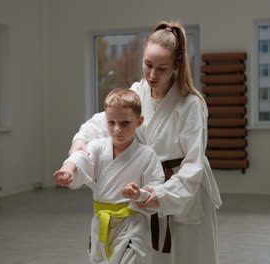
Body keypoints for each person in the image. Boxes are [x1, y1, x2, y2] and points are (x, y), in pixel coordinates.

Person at [69, 21, 222, 264]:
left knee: (187, 255)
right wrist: (80, 140)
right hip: (146, 185)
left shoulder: (190, 104)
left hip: (183, 189)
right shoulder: (137, 92)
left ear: (176, 65)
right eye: (147, 65)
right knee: (149, 254)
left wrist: (163, 195)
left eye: (161, 68)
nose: (152, 74)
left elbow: (194, 164)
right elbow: (104, 120)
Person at [54, 88, 165, 264]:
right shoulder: (98, 147)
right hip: (101, 224)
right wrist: (68, 168)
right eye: (111, 122)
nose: (117, 129)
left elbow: (156, 189)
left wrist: (139, 194)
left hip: (132, 226)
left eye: (125, 123)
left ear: (139, 121)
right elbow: (81, 156)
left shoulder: (147, 154)